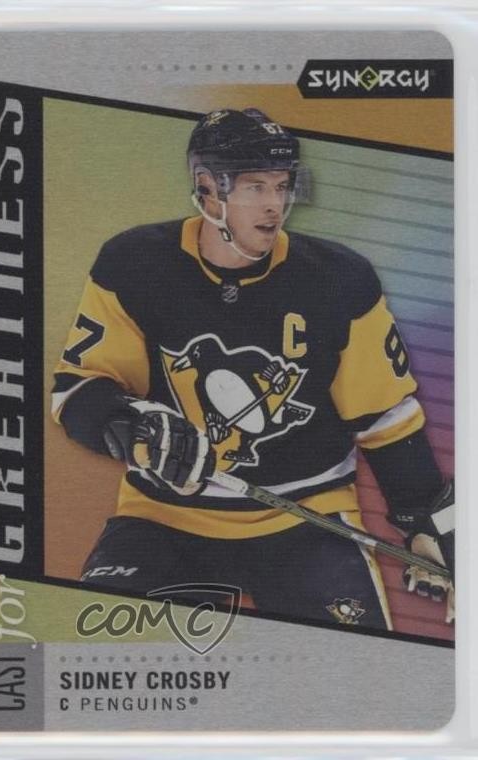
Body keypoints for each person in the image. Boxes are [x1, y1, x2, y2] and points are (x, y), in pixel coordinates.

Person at [52, 108, 454, 629]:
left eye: (282, 186)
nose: (274, 205)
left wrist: (428, 523)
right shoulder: (133, 264)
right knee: (98, 655)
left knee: (357, 670)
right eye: (255, 187)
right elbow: (77, 390)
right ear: (207, 190)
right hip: (162, 516)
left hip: (307, 521)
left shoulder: (340, 278)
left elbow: (385, 417)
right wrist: (128, 421)